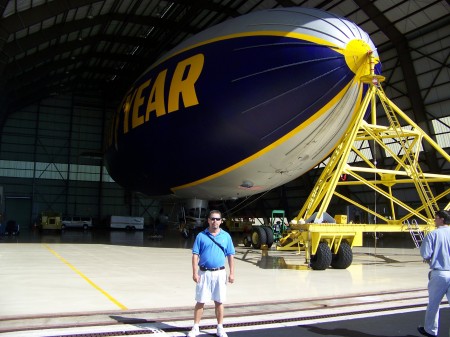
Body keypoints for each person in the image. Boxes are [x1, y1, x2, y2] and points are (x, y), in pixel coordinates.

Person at [187, 210, 235, 337]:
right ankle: (196, 326)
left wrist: (232, 273)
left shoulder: (226, 236)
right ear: (208, 220)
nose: (215, 221)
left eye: (217, 219)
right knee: (200, 301)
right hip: (204, 273)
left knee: (219, 301)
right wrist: (194, 273)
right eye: (212, 219)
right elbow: (195, 255)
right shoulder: (201, 236)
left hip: (220, 272)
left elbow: (230, 255)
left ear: (221, 221)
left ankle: (220, 327)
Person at [417, 209, 450, 337]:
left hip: (440, 273)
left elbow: (425, 253)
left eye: (436, 218)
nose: (434, 220)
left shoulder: (433, 234)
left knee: (434, 304)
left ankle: (431, 330)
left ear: (442, 219)